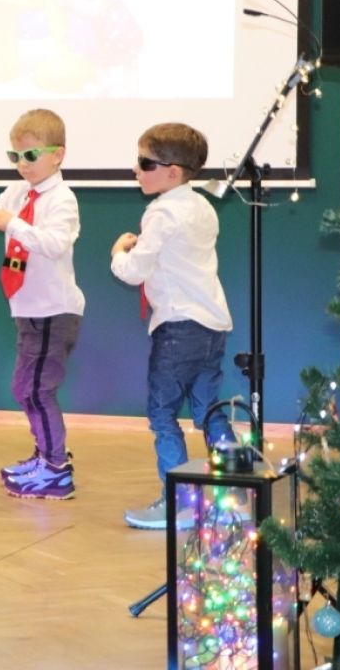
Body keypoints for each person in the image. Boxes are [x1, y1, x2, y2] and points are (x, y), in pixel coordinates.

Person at [111, 122, 234, 529]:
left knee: (162, 415)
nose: (136, 169)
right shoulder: (203, 207)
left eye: (145, 163)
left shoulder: (162, 212)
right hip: (212, 323)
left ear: (173, 172)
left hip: (179, 326)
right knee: (209, 410)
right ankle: (235, 494)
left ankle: (177, 505)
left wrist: (118, 252)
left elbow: (134, 271)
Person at [0, 109, 83, 500]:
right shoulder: (16, 193)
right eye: (15, 156)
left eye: (30, 156)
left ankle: (56, 469)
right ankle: (45, 454)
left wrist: (11, 223)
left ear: (57, 155)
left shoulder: (62, 199)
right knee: (26, 387)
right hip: (28, 310)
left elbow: (54, 244)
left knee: (35, 389)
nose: (22, 165)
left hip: (53, 310)